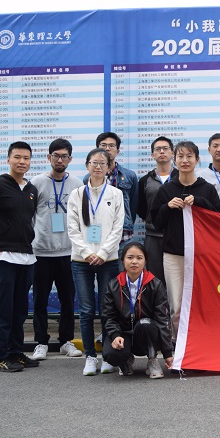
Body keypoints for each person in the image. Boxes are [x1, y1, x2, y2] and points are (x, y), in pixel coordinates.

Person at [0, 141, 40, 372]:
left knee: (19, 309)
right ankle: (0, 356)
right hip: (2, 257)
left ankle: (15, 352)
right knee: (3, 309)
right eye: (17, 157)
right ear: (8, 159)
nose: (22, 162)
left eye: (26, 158)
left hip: (26, 257)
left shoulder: (31, 190)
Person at [151, 141, 220, 337]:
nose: (185, 160)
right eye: (181, 156)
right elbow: (156, 223)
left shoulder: (207, 189)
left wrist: (200, 202)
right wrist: (167, 207)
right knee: (176, 305)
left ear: (197, 160)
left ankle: (201, 341)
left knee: (202, 302)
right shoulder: (166, 190)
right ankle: (178, 344)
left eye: (189, 156)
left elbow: (219, 221)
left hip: (201, 255)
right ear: (175, 160)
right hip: (173, 255)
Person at [68, 148, 125, 376]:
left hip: (108, 259)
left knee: (107, 310)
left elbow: (118, 229)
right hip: (81, 260)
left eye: (103, 163)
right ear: (87, 165)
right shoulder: (76, 194)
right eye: (94, 162)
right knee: (86, 310)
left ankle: (108, 357)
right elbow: (72, 229)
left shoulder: (115, 194)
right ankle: (90, 357)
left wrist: (102, 253)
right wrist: (86, 253)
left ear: (109, 167)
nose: (98, 166)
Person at [30, 138, 84, 360]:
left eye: (64, 156)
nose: (59, 160)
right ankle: (41, 342)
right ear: (48, 157)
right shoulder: (37, 182)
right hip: (41, 251)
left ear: (70, 159)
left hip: (68, 252)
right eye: (55, 156)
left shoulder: (77, 184)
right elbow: (29, 215)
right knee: (40, 300)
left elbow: (82, 217)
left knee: (67, 300)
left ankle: (66, 341)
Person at [101, 242, 174, 378]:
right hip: (124, 333)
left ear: (145, 261)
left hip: (147, 332)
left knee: (145, 324)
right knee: (111, 354)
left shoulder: (155, 284)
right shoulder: (113, 285)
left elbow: (163, 318)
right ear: (123, 261)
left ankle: (152, 359)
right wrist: (115, 335)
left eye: (139, 258)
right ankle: (126, 360)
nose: (134, 261)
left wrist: (167, 353)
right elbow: (108, 316)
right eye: (130, 257)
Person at [137, 136, 176, 287]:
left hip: (176, 235)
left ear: (172, 152)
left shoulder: (181, 177)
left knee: (176, 279)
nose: (162, 152)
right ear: (152, 154)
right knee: (154, 279)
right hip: (153, 236)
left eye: (165, 149)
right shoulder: (145, 180)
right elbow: (141, 208)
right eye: (158, 149)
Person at [89, 132, 138, 248]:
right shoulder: (89, 178)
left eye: (111, 146)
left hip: (123, 235)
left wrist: (126, 222)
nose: (107, 148)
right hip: (98, 235)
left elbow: (133, 206)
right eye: (103, 145)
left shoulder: (129, 176)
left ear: (117, 151)